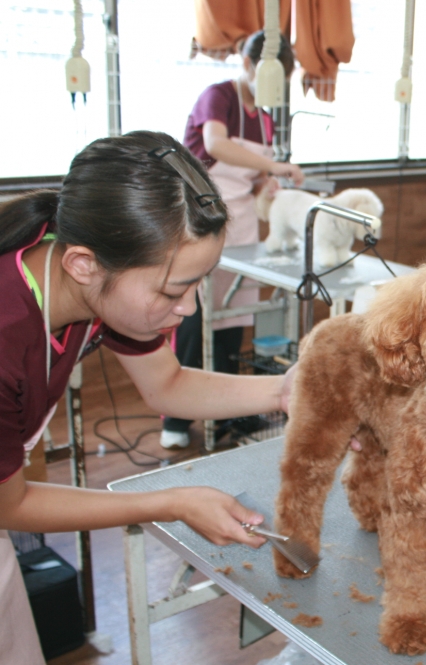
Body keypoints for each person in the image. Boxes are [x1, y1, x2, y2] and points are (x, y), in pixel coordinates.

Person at [0, 131, 294, 663]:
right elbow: (12, 503)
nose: (187, 308)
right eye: (172, 291)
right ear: (84, 265)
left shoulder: (80, 267)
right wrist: (172, 502)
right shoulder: (6, 329)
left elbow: (168, 383)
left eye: (197, 284)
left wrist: (286, 390)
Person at [162, 30, 305, 449]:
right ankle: (176, 417)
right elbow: (215, 144)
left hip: (240, 226)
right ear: (247, 65)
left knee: (232, 323)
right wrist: (274, 165)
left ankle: (223, 414)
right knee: (196, 320)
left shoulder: (262, 117)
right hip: (197, 222)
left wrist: (269, 185)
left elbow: (256, 179)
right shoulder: (218, 95)